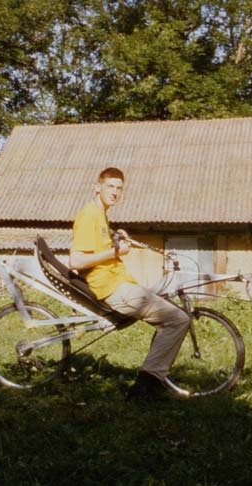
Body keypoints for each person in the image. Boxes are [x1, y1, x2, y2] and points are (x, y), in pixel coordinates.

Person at [69, 167, 191, 400]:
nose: (115, 192)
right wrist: (115, 252)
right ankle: (145, 387)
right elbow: (76, 260)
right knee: (179, 319)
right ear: (98, 187)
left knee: (165, 304)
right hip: (111, 290)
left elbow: (98, 246)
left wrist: (115, 236)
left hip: (118, 283)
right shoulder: (88, 215)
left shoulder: (101, 213)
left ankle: (153, 377)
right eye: (110, 187)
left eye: (119, 189)